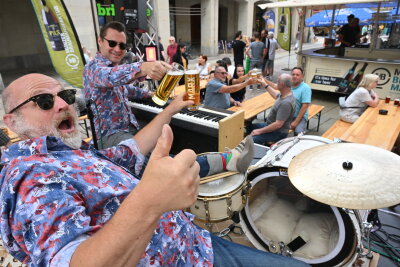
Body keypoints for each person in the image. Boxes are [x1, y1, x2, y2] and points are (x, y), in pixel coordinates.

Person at [0, 73, 309, 267]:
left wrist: (171, 109)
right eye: (42, 101)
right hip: (184, 258)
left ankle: (228, 161)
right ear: (11, 122)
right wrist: (151, 200)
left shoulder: (68, 152)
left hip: (194, 241)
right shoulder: (31, 175)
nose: (62, 105)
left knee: (173, 164)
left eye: (66, 96)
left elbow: (131, 149)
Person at [83, 21, 168, 149]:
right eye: (112, 43)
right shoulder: (92, 68)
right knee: (144, 152)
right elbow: (110, 76)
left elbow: (123, 88)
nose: (117, 49)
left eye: (122, 45)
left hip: (128, 128)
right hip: (108, 136)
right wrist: (144, 67)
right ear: (100, 41)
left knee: (162, 136)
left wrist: (147, 94)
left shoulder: (113, 68)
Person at [248, 74, 296, 145]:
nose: (276, 83)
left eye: (278, 82)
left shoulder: (286, 103)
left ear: (282, 85)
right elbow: (275, 94)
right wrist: (264, 84)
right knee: (248, 127)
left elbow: (278, 125)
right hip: (270, 125)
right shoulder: (286, 93)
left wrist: (259, 131)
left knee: (252, 139)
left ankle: (258, 154)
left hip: (278, 132)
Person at [264, 67, 311, 135]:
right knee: (270, 122)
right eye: (293, 74)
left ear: (302, 76)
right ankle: (272, 141)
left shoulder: (306, 88)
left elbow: (305, 106)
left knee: (298, 132)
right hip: (287, 114)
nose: (295, 76)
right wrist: (263, 80)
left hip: (298, 116)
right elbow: (275, 86)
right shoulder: (288, 84)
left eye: (297, 75)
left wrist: (296, 122)